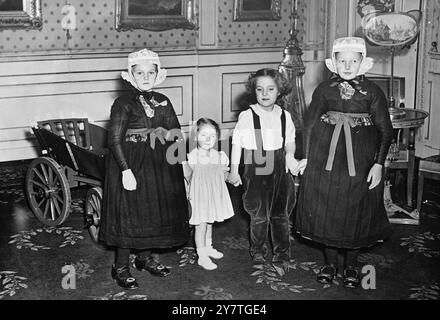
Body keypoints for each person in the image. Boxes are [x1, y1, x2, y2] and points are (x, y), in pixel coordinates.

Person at [294, 37, 394, 288]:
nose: (347, 66)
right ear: (333, 63)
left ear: (362, 63)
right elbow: (308, 125)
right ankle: (329, 263)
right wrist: (306, 157)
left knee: (355, 210)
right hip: (325, 156)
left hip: (360, 160)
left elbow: (386, 130)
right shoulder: (324, 90)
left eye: (353, 61)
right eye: (342, 61)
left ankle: (350, 266)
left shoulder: (373, 92)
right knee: (329, 208)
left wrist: (378, 164)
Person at [100, 48, 190, 289]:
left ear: (158, 73)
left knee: (153, 209)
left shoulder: (164, 100)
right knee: (130, 213)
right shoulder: (122, 103)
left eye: (151, 72)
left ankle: (144, 258)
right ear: (130, 75)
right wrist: (126, 171)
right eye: (140, 72)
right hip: (131, 163)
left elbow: (177, 134)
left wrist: (183, 163)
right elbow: (114, 140)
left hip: (159, 164)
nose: (146, 76)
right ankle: (120, 266)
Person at [228, 68, 298, 269]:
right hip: (257, 164)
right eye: (260, 89)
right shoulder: (247, 115)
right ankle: (258, 251)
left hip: (280, 165)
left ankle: (282, 254)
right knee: (259, 214)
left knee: (281, 214)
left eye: (270, 89)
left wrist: (291, 156)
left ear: (279, 91)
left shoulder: (285, 115)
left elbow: (290, 142)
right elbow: (237, 144)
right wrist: (234, 170)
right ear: (254, 91)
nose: (265, 94)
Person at [183, 118, 235, 270]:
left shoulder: (219, 156)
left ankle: (208, 246)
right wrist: (186, 192)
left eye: (212, 136)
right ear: (195, 136)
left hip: (212, 196)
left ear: (217, 138)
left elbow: (222, 175)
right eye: (203, 135)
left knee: (210, 222)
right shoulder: (192, 157)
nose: (208, 139)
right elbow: (187, 177)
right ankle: (202, 256)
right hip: (198, 197)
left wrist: (232, 179)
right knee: (201, 225)